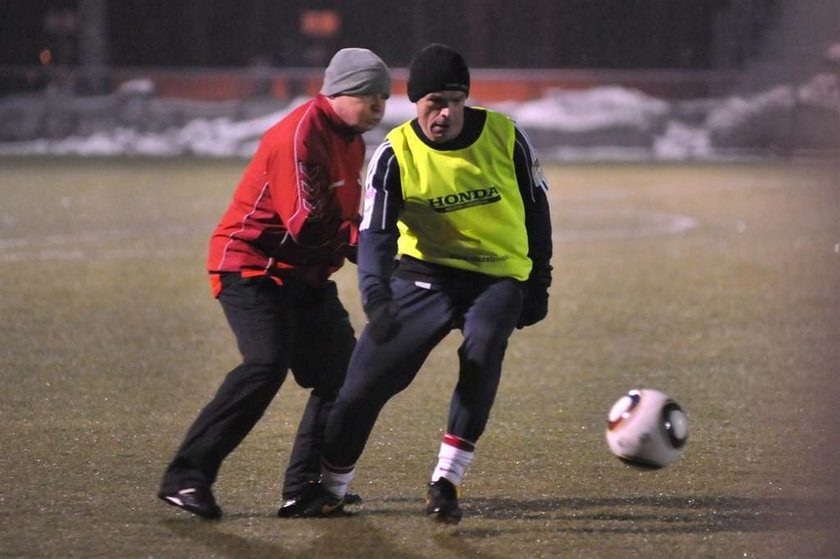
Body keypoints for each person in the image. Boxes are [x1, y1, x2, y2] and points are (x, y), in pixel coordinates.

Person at [311, 43, 553, 523]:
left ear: (466, 100)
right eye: (433, 102)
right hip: (425, 275)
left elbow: (536, 212)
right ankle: (333, 488)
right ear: (415, 102)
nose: (443, 113)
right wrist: (376, 293)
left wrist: (538, 282)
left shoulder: (506, 136)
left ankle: (446, 480)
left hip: (496, 275)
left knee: (482, 348)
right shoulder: (395, 153)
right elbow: (377, 233)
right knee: (364, 385)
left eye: (454, 101)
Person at [157, 48, 391, 520]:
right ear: (342, 92)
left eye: (383, 97)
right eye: (371, 96)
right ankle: (186, 478)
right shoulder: (298, 135)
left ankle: (303, 490)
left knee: (342, 376)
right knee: (265, 365)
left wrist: (374, 246)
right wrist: (370, 248)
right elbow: (306, 223)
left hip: (303, 274)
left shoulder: (351, 139)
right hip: (251, 266)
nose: (380, 106)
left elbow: (341, 219)